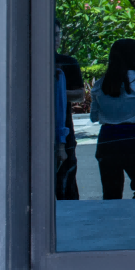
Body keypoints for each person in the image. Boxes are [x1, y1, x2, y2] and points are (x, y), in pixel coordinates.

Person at [89, 38, 135, 199]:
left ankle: (113, 215)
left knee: (111, 190)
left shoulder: (100, 84)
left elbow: (93, 117)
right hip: (134, 134)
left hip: (107, 135)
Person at [53, 24, 86, 201]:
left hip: (63, 129)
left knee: (66, 182)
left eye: (57, 34)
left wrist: (56, 92)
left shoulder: (68, 62)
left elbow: (80, 94)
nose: (55, 39)